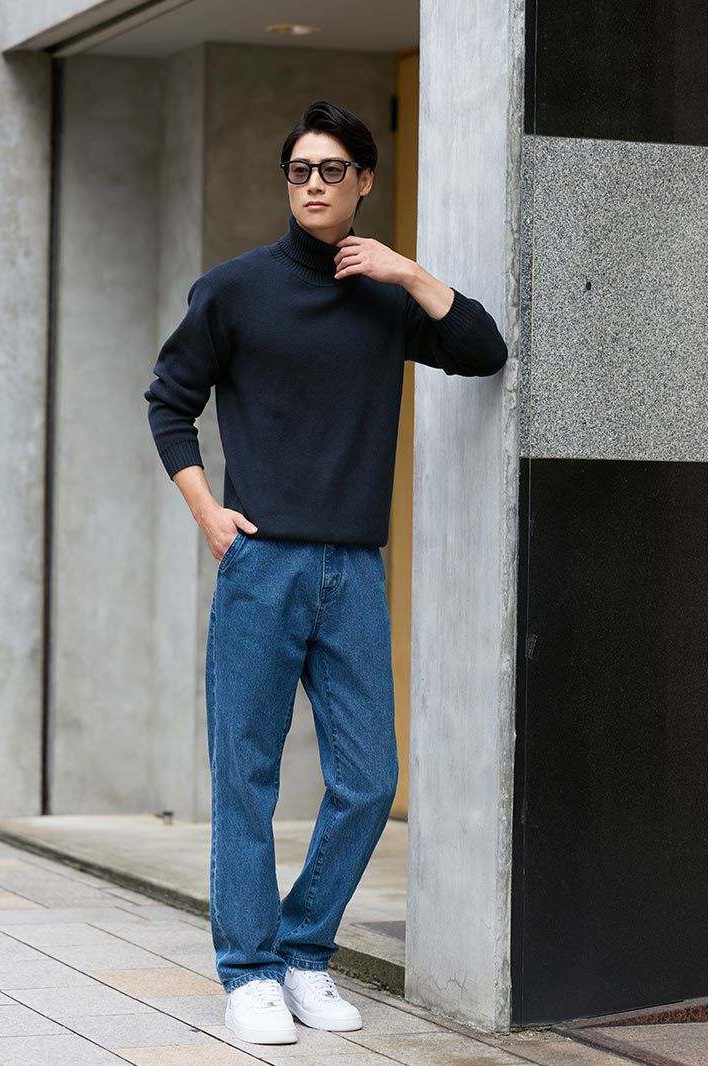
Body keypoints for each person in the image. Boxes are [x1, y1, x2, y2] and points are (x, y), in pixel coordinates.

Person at [144, 99, 508, 1045]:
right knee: (246, 777)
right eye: (300, 170)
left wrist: (408, 271)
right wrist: (207, 511)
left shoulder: (385, 297)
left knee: (370, 778)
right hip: (261, 565)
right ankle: (250, 972)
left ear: (364, 181)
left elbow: (484, 350)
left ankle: (304, 952)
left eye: (332, 169)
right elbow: (169, 403)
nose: (313, 184)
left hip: (354, 571)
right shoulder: (233, 290)